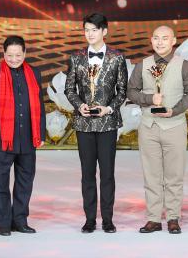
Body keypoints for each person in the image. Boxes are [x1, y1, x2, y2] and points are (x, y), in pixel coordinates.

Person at [0, 35, 47, 236]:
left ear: (25, 53)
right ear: (4, 54)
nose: (14, 59)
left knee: (25, 182)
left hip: (28, 138)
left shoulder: (34, 72)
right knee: (0, 183)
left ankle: (20, 221)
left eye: (18, 55)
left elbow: (39, 104)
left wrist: (41, 133)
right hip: (2, 139)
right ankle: (4, 224)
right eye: (10, 55)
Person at [127, 25, 188, 234]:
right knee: (151, 175)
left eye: (165, 38)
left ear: (173, 41)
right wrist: (150, 98)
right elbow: (131, 91)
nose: (160, 42)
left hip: (174, 126)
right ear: (151, 41)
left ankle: (173, 218)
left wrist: (174, 110)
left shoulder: (184, 65)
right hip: (148, 127)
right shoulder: (143, 65)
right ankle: (153, 218)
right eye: (156, 38)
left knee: (174, 175)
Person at [64, 12, 128, 234]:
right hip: (84, 124)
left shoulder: (117, 58)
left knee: (107, 174)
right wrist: (79, 105)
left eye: (94, 30)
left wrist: (108, 108)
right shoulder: (76, 58)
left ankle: (108, 220)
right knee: (87, 173)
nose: (89, 34)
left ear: (104, 31)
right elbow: (69, 88)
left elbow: (122, 91)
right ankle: (90, 219)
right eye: (86, 30)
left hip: (107, 123)